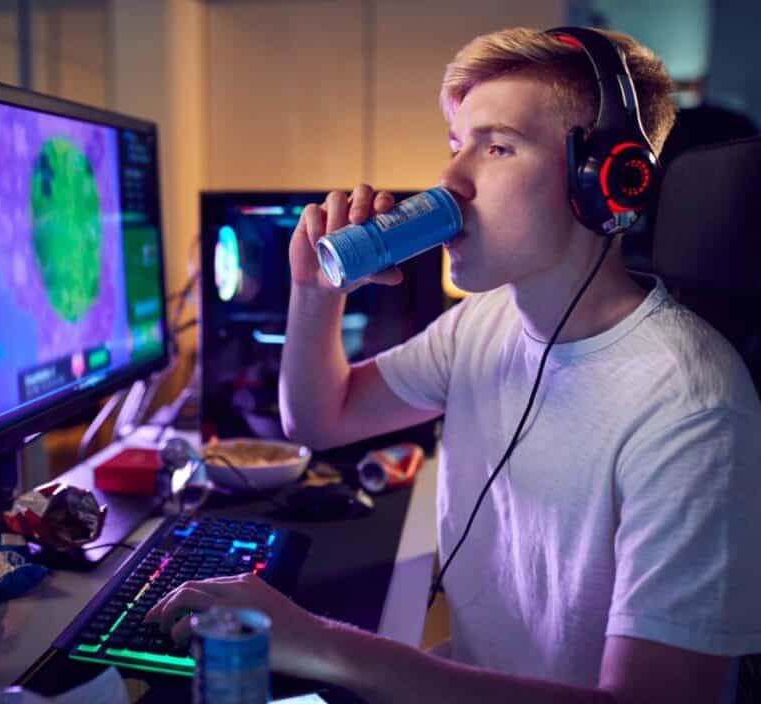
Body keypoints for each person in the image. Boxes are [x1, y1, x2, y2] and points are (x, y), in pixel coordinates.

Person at [145, 27, 761, 703]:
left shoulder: (692, 405)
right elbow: (320, 419)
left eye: (497, 147)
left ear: (604, 181)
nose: (449, 180)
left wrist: (321, 643)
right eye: (455, 145)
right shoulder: (483, 323)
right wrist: (314, 293)